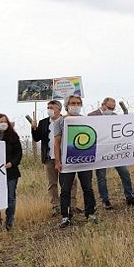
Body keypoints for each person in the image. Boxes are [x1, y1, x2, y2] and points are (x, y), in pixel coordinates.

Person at [88, 97, 134, 208]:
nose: (111, 110)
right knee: (101, 176)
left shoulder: (114, 117)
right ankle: (105, 200)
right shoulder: (91, 116)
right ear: (103, 105)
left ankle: (129, 197)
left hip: (115, 151)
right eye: (109, 108)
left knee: (125, 173)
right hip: (100, 152)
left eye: (113, 108)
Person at [54, 94, 97, 228]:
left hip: (84, 160)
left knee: (88, 188)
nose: (75, 105)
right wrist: (57, 161)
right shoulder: (60, 121)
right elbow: (57, 143)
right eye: (73, 103)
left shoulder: (85, 120)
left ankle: (90, 213)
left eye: (78, 103)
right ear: (67, 105)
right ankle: (66, 216)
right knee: (65, 190)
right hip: (67, 162)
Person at [32, 100, 77, 216]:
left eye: (51, 107)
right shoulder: (43, 123)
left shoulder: (66, 121)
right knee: (52, 183)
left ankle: (71, 205)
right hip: (49, 157)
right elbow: (37, 138)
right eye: (47, 107)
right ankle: (55, 205)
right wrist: (34, 128)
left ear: (59, 109)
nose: (49, 109)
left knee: (70, 182)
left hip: (66, 157)